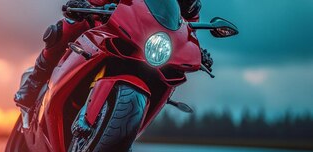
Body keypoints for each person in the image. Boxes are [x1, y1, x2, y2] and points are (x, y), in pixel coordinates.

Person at [14, 0, 212, 110]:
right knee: (69, 25)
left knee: (171, 71)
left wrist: (197, 50)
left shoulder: (190, 4)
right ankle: (34, 81)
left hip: (148, 47)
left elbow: (186, 30)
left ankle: (126, 131)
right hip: (114, 27)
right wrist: (89, 4)